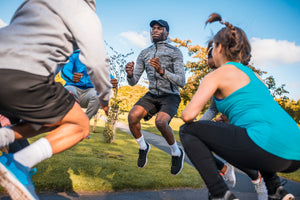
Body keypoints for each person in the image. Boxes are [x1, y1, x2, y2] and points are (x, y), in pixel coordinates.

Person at [0, 1, 113, 200]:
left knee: (52, 119)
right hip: (24, 76)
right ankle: (19, 163)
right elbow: (97, 62)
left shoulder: (31, 4)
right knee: (80, 125)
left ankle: (3, 138)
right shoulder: (82, 9)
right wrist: (105, 97)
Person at [180, 13, 300, 200]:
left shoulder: (217, 75)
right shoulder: (255, 77)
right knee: (257, 134)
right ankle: (276, 189)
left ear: (218, 47)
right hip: (294, 151)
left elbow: (188, 116)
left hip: (267, 149)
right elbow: (256, 113)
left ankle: (221, 194)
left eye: (212, 47)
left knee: (187, 131)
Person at [200, 49, 267, 200]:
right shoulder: (216, 83)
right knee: (193, 138)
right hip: (230, 127)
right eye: (212, 68)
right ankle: (223, 170)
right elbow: (212, 108)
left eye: (217, 67)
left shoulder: (246, 75)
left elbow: (264, 97)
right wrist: (198, 126)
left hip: (251, 126)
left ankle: (258, 181)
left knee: (244, 158)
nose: (214, 71)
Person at [125, 19, 186, 175]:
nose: (155, 30)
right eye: (153, 28)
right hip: (152, 94)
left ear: (167, 33)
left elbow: (182, 81)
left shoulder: (175, 52)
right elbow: (133, 82)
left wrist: (162, 71)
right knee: (132, 117)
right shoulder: (144, 53)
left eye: (159, 28)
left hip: (170, 95)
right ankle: (143, 147)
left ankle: (176, 152)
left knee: (160, 122)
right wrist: (129, 74)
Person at [61, 49, 118, 119]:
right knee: (67, 91)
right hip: (73, 88)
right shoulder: (74, 55)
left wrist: (111, 81)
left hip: (90, 91)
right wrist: (72, 77)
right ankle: (70, 120)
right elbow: (64, 71)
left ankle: (84, 122)